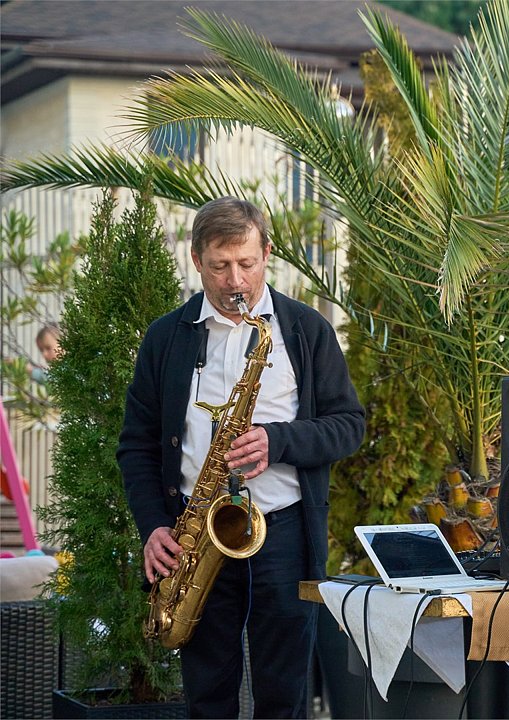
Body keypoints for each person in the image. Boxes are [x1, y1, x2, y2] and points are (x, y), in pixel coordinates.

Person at [118, 197, 366, 718]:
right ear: (196, 260)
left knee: (284, 696)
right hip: (195, 535)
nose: (236, 281)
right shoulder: (165, 338)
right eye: (220, 266)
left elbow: (349, 426)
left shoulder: (305, 329)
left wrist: (278, 441)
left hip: (284, 532)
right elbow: (136, 444)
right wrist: (154, 526)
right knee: (207, 696)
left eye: (247, 263)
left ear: (267, 254)